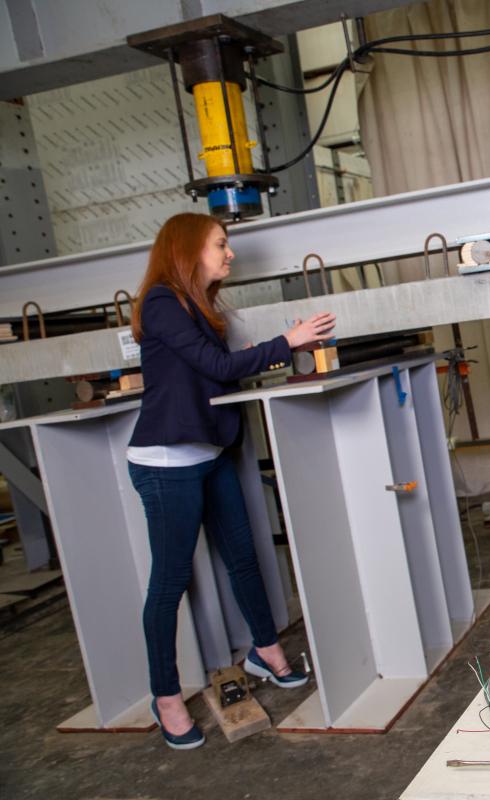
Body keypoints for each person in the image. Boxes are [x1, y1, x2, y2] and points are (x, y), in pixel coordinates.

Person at [127, 213, 335, 749]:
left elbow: (220, 369)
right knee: (169, 584)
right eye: (221, 244)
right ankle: (165, 695)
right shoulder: (161, 302)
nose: (230, 254)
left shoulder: (199, 306)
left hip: (211, 453)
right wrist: (288, 341)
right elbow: (217, 368)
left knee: (244, 556)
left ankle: (264, 651)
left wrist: (278, 351)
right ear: (189, 248)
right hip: (166, 462)